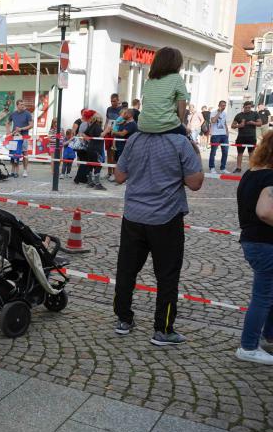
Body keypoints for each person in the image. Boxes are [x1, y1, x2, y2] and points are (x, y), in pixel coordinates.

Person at [112, 131, 204, 345]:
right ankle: (163, 329)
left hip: (134, 216)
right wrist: (195, 154)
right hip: (166, 217)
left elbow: (119, 176)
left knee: (126, 269)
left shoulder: (134, 140)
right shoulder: (180, 142)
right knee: (167, 275)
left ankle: (123, 319)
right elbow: (195, 183)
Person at [235, 131, 273, 364]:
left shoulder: (251, 173)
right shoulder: (270, 177)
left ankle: (269, 335)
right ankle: (248, 346)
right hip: (265, 243)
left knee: (269, 293)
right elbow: (265, 212)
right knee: (263, 296)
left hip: (253, 240)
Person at [137, 47, 189, 137]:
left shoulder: (150, 80)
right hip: (166, 125)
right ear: (176, 64)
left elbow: (144, 102)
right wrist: (180, 122)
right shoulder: (176, 78)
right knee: (186, 136)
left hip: (143, 125)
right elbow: (182, 103)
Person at [232, 101, 261, 174]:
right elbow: (232, 126)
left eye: (249, 107)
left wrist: (253, 122)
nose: (248, 109)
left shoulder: (255, 114)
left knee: (251, 153)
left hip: (251, 137)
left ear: (251, 107)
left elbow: (260, 123)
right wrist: (239, 125)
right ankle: (238, 168)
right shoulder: (239, 115)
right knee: (240, 153)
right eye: (246, 107)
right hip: (241, 137)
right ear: (243, 107)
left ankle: (251, 168)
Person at [7, 100, 33, 177]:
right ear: (17, 105)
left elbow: (31, 125)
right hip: (14, 137)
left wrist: (21, 129)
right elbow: (8, 123)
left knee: (25, 153)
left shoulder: (27, 113)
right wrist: (8, 132)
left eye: (23, 104)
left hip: (24, 136)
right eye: (21, 104)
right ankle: (12, 170)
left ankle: (25, 170)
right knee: (13, 154)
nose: (23, 106)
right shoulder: (13, 114)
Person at [83, 112, 106, 190]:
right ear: (99, 119)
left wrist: (89, 141)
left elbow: (84, 134)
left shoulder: (91, 126)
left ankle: (90, 182)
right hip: (97, 149)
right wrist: (107, 130)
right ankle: (97, 184)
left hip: (90, 148)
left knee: (90, 165)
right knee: (98, 165)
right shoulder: (97, 126)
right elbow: (100, 136)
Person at [209, 100, 230, 174]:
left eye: (224, 105)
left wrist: (227, 132)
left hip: (224, 135)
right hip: (215, 135)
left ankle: (223, 167)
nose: (223, 107)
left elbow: (224, 123)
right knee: (213, 152)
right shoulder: (213, 112)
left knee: (225, 152)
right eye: (222, 105)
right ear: (219, 105)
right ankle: (212, 167)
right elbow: (213, 121)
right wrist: (219, 112)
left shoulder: (225, 113)